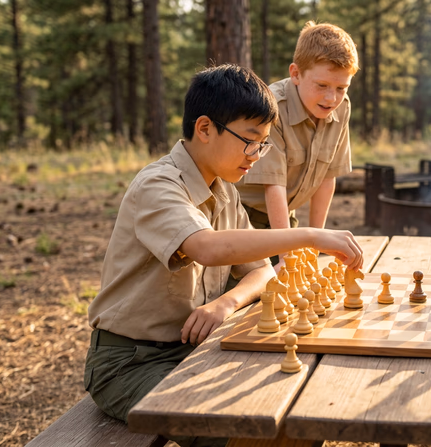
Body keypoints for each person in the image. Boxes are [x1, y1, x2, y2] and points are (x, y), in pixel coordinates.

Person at [84, 64, 363, 446]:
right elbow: (208, 247)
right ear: (204, 129)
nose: (256, 155)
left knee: (299, 412)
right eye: (250, 140)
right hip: (130, 363)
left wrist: (224, 305)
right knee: (245, 431)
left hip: (193, 348)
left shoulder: (224, 189)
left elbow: (262, 273)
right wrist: (310, 235)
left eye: (264, 143)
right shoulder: (158, 185)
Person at [236, 21, 358, 268]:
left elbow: (327, 178)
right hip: (243, 219)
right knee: (257, 292)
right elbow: (274, 185)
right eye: (322, 85)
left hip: (285, 220)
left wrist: (316, 244)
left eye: (341, 88)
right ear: (296, 74)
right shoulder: (272, 107)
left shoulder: (342, 107)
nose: (331, 98)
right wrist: (286, 257)